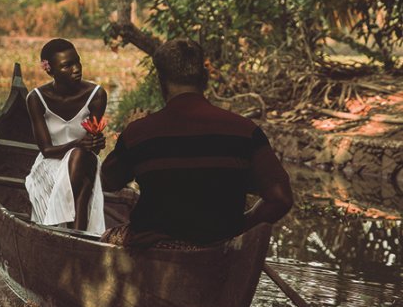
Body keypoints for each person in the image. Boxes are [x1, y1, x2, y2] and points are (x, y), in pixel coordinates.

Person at [101, 38, 293, 247]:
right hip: (220, 247)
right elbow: (281, 198)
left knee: (108, 235)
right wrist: (241, 226)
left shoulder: (139, 133)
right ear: (205, 77)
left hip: (155, 248)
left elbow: (108, 182)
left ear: (161, 81)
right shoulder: (245, 131)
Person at [25, 38, 107, 233]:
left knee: (80, 157)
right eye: (66, 66)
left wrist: (96, 143)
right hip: (50, 164)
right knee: (83, 182)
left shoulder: (96, 95)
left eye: (77, 61)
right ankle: (76, 234)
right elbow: (46, 150)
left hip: (85, 162)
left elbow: (91, 149)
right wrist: (78, 143)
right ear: (49, 69)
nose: (76, 69)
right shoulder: (36, 98)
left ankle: (68, 235)